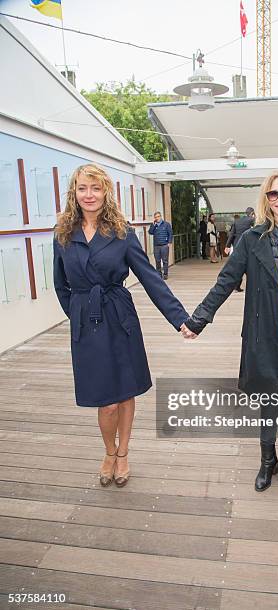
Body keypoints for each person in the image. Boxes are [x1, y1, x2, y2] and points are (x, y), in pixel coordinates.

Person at [181, 170, 278, 496]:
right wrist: (198, 319)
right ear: (266, 199)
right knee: (269, 400)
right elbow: (226, 281)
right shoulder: (252, 239)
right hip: (263, 336)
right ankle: (267, 462)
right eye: (273, 194)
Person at [53, 164, 189, 488]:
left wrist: (180, 319)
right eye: (83, 188)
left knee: (125, 391)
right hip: (87, 323)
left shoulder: (121, 231)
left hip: (120, 318)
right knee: (106, 399)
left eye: (96, 188)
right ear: (75, 192)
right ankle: (109, 451)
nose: (89, 195)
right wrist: (79, 316)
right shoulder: (62, 233)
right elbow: (61, 286)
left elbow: (150, 277)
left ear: (105, 192)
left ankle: (123, 453)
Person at [225, 207, 255, 292]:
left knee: (238, 266)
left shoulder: (237, 221)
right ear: (252, 213)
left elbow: (231, 235)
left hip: (237, 245)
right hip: (248, 246)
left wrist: (227, 246)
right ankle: (252, 286)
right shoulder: (252, 220)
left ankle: (236, 287)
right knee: (250, 265)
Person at [148, 211, 173, 279]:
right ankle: (159, 274)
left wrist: (169, 243)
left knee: (165, 261)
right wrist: (153, 225)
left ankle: (165, 274)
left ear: (161, 216)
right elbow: (150, 232)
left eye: (158, 216)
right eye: (156, 217)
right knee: (157, 261)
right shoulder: (154, 225)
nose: (157, 218)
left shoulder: (166, 224)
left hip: (164, 245)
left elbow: (170, 233)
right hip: (156, 246)